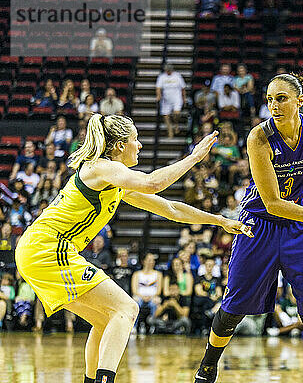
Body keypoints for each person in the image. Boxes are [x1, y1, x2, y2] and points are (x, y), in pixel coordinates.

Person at [15, 113, 251, 383]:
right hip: (46, 248)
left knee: (105, 320)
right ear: (118, 146)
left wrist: (219, 220)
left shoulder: (115, 182)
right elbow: (153, 182)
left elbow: (171, 208)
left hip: (42, 249)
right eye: (135, 140)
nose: (139, 146)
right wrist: (194, 157)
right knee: (127, 308)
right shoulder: (100, 167)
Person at [193, 73, 303, 383]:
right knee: (234, 307)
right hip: (259, 225)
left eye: (281, 98)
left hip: (301, 228)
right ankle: (208, 366)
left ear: (299, 100)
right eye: (269, 100)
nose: (273, 106)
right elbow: (274, 203)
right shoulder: (258, 137)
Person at [156, 64, 186, 138]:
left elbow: (183, 88)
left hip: (177, 97)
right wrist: (158, 96)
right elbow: (158, 88)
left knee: (176, 113)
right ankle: (170, 130)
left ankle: (176, 124)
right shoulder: (162, 77)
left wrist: (184, 98)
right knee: (166, 115)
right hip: (166, 98)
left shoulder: (177, 76)